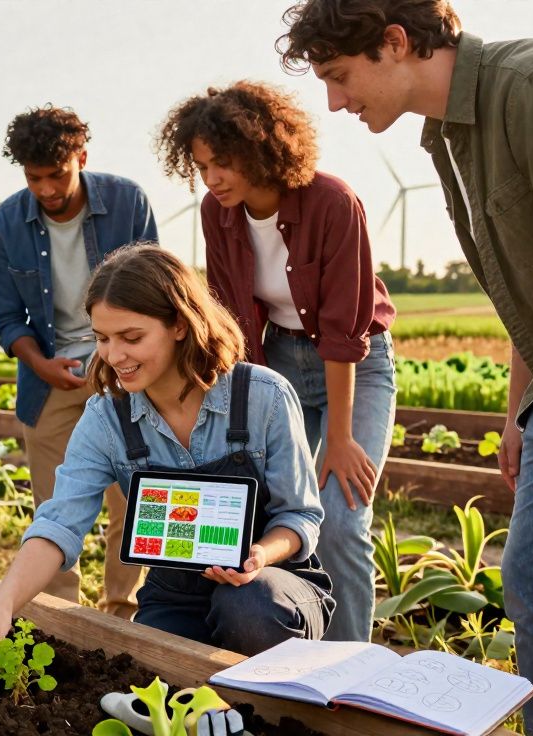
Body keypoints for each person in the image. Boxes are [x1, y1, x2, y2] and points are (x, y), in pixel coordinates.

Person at [279, 1, 533, 731]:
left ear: (396, 42)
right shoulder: (450, 134)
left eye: (339, 74)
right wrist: (521, 410)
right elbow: (530, 288)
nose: (333, 101)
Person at [0, 244, 333, 664]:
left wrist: (259, 555)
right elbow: (59, 522)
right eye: (102, 338)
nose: (114, 356)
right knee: (149, 666)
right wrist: (1, 604)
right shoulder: (107, 418)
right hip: (176, 595)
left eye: (131, 338)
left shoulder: (263, 396)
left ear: (180, 325)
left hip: (272, 585)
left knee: (248, 606)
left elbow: (299, 516)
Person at [156, 81, 398, 642]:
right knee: (275, 509)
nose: (211, 179)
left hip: (357, 365)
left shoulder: (333, 202)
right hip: (279, 357)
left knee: (341, 518)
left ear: (261, 150)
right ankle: (286, 640)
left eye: (223, 163)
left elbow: (344, 333)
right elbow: (232, 321)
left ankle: (348, 663)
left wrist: (340, 438)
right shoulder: (216, 214)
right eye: (201, 166)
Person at [0, 104, 158, 618]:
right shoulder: (6, 224)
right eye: (33, 177)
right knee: (54, 504)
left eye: (56, 175)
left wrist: (120, 356)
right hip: (50, 379)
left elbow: (155, 293)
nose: (46, 189)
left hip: (125, 369)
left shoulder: (128, 203)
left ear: (81, 157)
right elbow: (7, 317)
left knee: (133, 497)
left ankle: (123, 611)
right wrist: (40, 364)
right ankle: (61, 614)